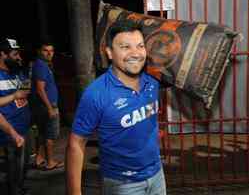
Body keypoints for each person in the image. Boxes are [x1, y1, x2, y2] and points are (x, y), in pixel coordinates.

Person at [66, 20, 166, 195]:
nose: (135, 53)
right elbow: (76, 142)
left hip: (157, 175)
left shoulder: (153, 83)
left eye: (140, 46)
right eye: (125, 47)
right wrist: (74, 192)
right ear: (110, 52)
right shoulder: (96, 93)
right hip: (122, 184)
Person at [0, 38, 31, 195]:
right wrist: (14, 96)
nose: (19, 57)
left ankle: (19, 187)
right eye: (14, 54)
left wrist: (27, 76)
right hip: (10, 130)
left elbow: (25, 89)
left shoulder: (16, 70)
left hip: (24, 126)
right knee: (14, 166)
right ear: (2, 54)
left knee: (24, 164)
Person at [31, 41, 64, 170]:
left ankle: (39, 159)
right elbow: (40, 89)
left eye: (51, 51)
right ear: (40, 51)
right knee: (51, 135)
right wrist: (50, 108)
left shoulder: (43, 65)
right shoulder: (41, 66)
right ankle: (50, 162)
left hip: (43, 106)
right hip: (48, 106)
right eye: (46, 50)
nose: (49, 53)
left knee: (43, 133)